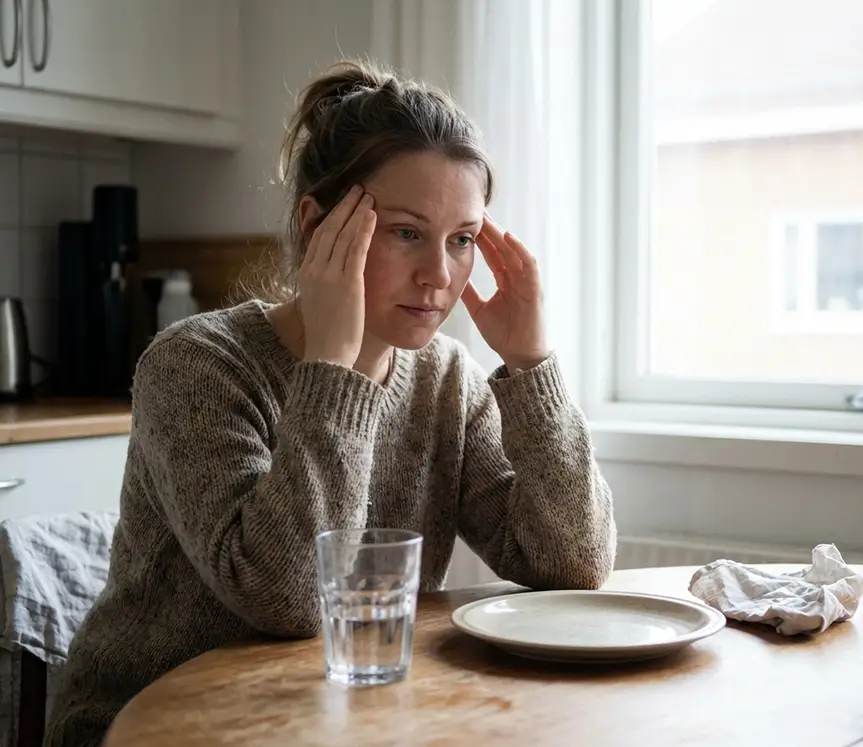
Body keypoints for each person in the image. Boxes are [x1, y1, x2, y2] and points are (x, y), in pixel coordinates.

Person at [43, 59, 616, 747]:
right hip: (147, 726)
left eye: (462, 239)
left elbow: (573, 564)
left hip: (334, 725)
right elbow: (288, 597)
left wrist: (531, 366)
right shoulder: (195, 365)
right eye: (407, 231)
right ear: (318, 226)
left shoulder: (446, 381)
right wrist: (333, 369)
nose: (440, 274)